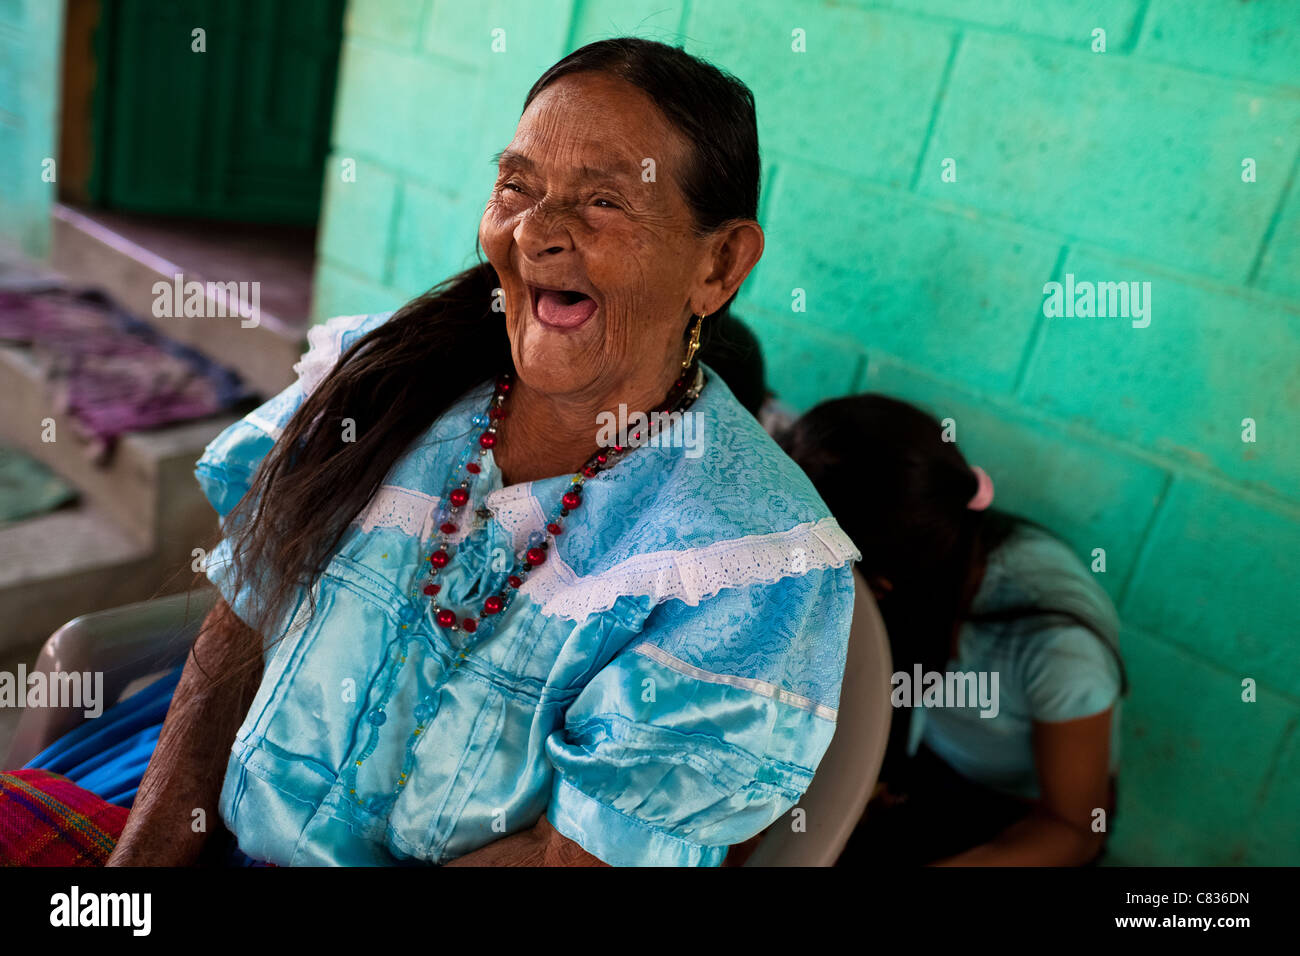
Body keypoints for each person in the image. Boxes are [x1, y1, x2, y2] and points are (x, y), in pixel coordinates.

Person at [2, 37, 861, 868]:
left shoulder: (747, 560)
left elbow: (574, 861)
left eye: (604, 201)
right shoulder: (381, 379)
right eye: (517, 186)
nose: (535, 234)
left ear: (719, 264)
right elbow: (243, 619)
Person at [780, 394, 1124, 866]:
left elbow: (1076, 828)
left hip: (1020, 810)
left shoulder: (1058, 650)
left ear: (878, 586)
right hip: (929, 759)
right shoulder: (930, 557)